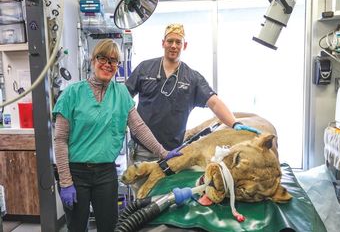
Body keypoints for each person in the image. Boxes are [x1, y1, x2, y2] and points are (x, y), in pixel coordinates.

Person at [53, 39, 180, 232]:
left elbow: (139, 127)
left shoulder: (120, 93)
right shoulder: (72, 93)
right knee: (77, 227)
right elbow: (60, 139)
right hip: (76, 173)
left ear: (117, 66)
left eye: (113, 61)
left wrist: (163, 153)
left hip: (106, 174)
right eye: (102, 58)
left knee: (109, 227)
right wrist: (65, 181)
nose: (107, 64)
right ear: (93, 60)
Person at [125, 23, 260, 163]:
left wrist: (234, 123)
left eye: (178, 42)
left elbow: (214, 102)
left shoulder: (192, 78)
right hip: (142, 149)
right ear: (163, 43)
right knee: (140, 185)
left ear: (185, 46)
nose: (173, 45)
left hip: (172, 152)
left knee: (166, 185)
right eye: (170, 41)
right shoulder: (144, 68)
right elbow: (123, 98)